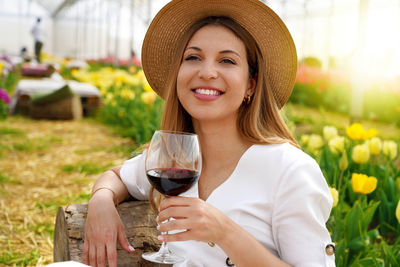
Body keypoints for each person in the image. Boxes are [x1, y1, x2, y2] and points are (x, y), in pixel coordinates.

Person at [83, 0, 335, 266]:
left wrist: (224, 232)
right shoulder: (174, 160)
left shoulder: (289, 170)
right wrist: (101, 200)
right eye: (193, 57)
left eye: (227, 60)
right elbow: (115, 177)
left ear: (251, 84)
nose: (207, 72)